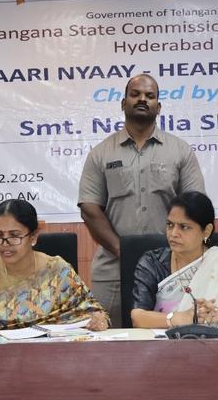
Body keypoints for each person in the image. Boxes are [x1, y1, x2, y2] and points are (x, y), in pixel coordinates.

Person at [78, 74, 206, 326]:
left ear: (158, 107)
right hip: (113, 270)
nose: (142, 100)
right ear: (123, 102)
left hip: (172, 269)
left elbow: (195, 206)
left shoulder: (180, 151)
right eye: (135, 94)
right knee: (108, 341)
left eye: (150, 96)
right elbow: (90, 209)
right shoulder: (101, 153)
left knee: (173, 342)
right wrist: (123, 251)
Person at [0, 199, 108, 331]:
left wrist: (98, 320)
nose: (5, 243)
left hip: (51, 356)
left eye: (14, 235)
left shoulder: (56, 268)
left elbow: (96, 313)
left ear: (33, 237)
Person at [130, 191, 218, 328]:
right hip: (163, 347)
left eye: (184, 227)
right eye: (170, 225)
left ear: (206, 231)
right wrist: (178, 318)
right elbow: (137, 317)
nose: (173, 233)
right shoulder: (152, 262)